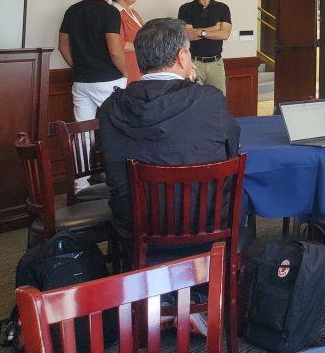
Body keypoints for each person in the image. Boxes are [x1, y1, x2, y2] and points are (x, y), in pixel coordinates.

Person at [98, 17, 240, 247]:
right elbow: (231, 149)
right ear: (182, 57)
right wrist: (193, 86)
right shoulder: (209, 100)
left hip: (135, 228)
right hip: (204, 224)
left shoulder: (110, 108)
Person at [59, 0, 127, 124]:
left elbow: (62, 46)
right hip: (108, 81)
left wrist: (78, 68)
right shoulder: (111, 12)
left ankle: (84, 150)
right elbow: (115, 51)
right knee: (118, 127)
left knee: (83, 132)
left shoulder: (72, 10)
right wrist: (125, 73)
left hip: (81, 81)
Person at [177, 0, 231, 95]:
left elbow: (225, 34)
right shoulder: (185, 9)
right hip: (194, 64)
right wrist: (214, 28)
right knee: (194, 102)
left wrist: (200, 32)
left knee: (218, 102)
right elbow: (188, 35)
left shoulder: (222, 8)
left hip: (216, 65)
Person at [112, 0, 144, 83]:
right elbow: (119, 45)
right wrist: (143, 45)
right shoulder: (114, 13)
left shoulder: (133, 12)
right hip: (125, 66)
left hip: (138, 64)